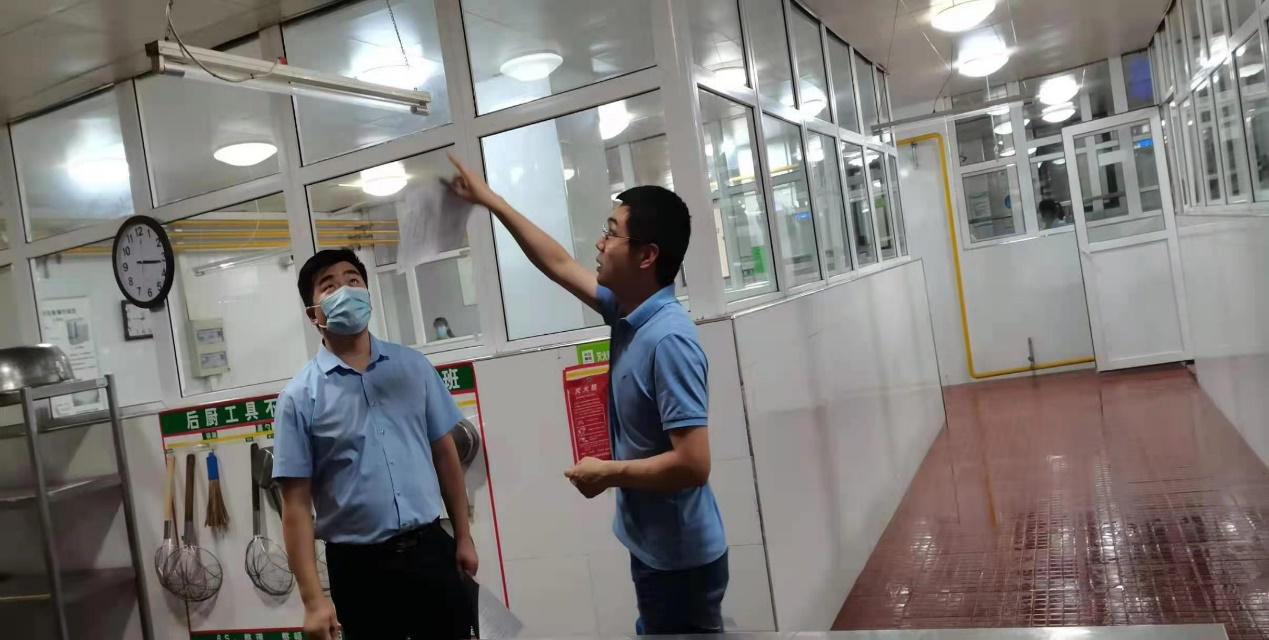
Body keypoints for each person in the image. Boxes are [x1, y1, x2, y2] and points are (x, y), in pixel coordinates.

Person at [447, 154, 728, 634]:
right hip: (656, 549)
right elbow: (557, 263)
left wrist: (609, 472)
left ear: (647, 256)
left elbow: (694, 464)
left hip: (680, 562)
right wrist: (491, 200)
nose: (599, 243)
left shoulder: (669, 340)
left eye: (611, 233)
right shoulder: (627, 312)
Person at [272, 248, 477, 640]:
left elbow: (445, 454)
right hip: (359, 568)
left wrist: (463, 537)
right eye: (329, 286)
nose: (345, 290)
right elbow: (295, 505)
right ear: (314, 314)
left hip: (430, 549)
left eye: (353, 280)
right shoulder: (299, 398)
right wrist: (313, 600)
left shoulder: (413, 367)